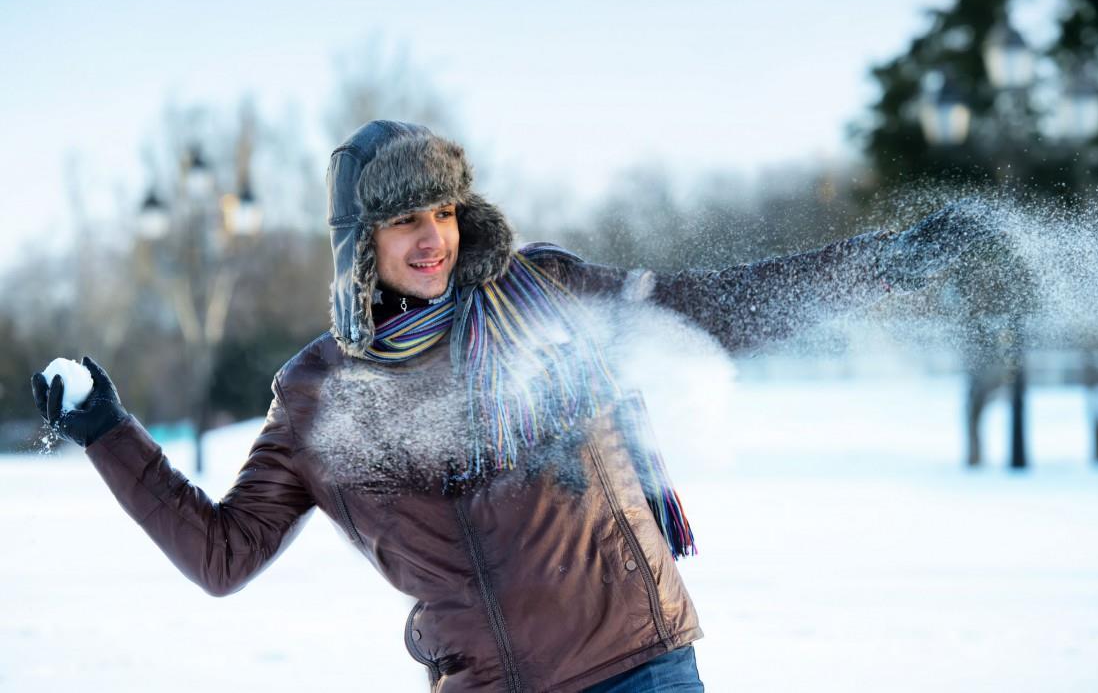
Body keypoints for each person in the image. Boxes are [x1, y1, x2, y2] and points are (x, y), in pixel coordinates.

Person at [31, 120, 1001, 692]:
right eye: (405, 219)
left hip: (639, 666)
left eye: (444, 211)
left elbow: (719, 310)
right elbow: (221, 555)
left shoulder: (544, 297)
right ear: (355, 242)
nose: (433, 240)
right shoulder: (319, 396)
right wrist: (107, 432)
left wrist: (884, 265)